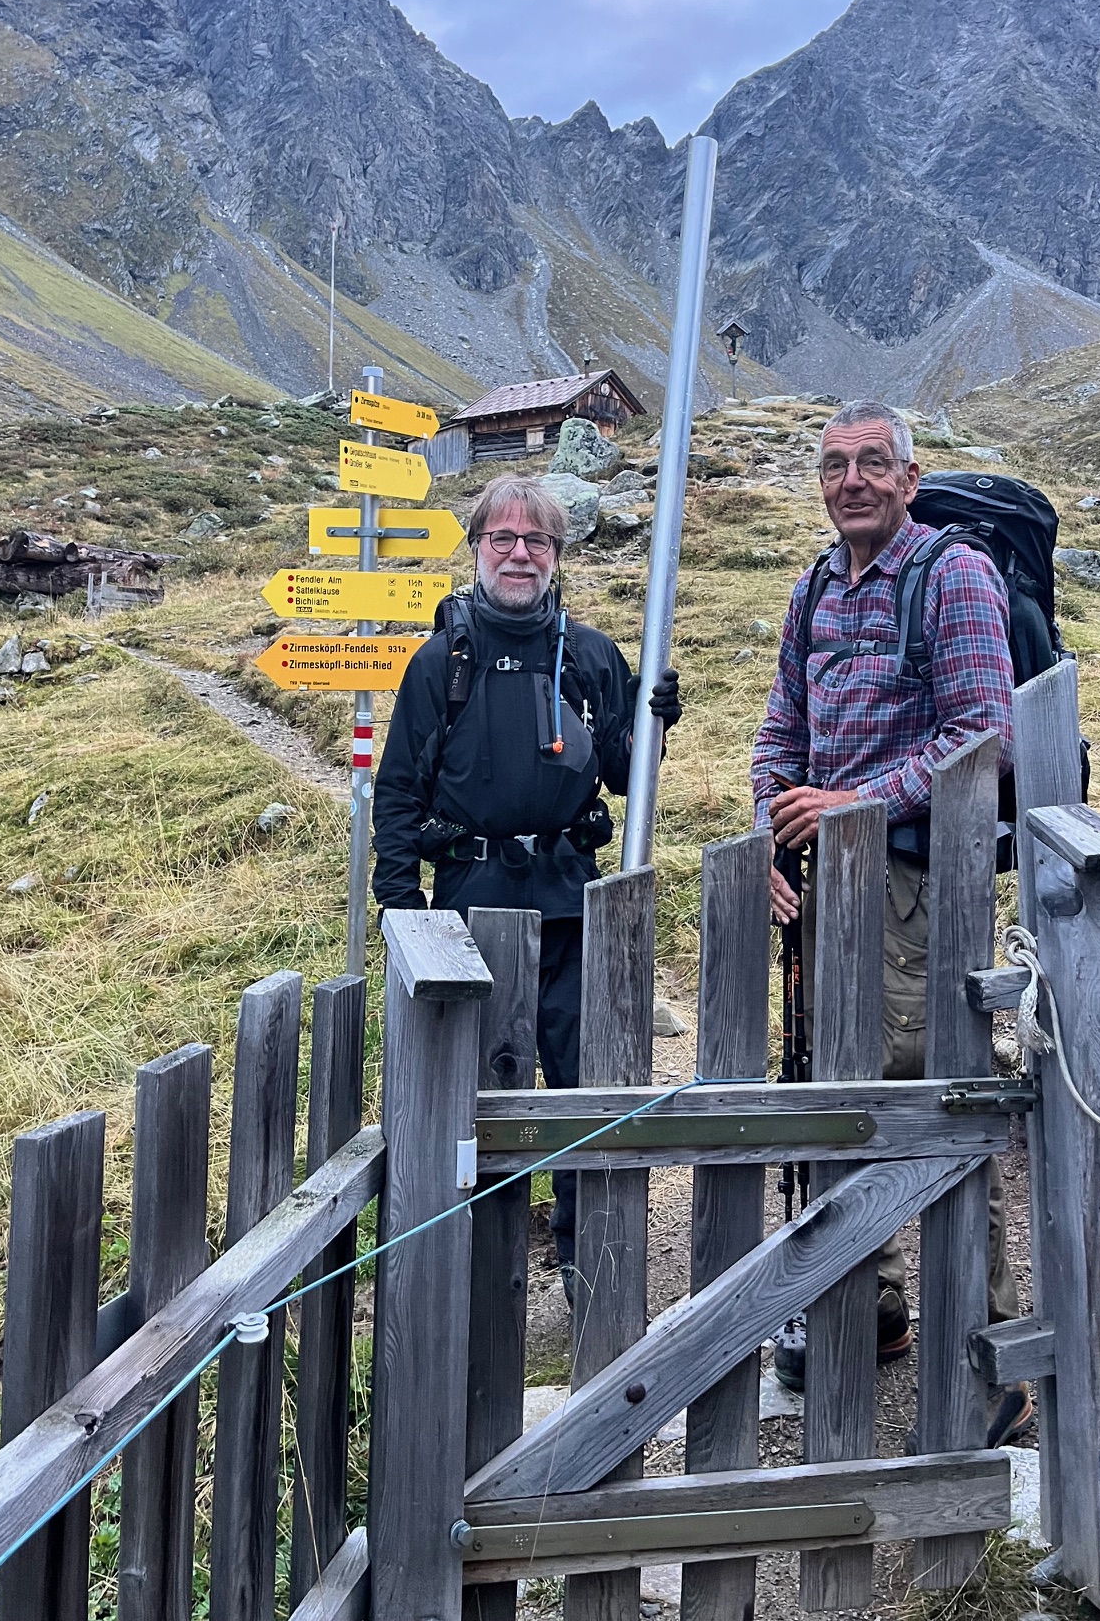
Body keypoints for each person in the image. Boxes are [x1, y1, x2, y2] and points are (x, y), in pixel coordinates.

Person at [751, 398, 1030, 1447]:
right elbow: (782, 725)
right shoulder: (814, 586)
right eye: (834, 465)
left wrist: (853, 806)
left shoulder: (952, 575)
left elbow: (983, 735)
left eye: (873, 463)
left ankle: (994, 1352)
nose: (852, 480)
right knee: (830, 1092)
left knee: (924, 1103)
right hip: (825, 889)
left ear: (910, 479)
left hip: (915, 893)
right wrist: (775, 834)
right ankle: (869, 1318)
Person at [373, 472, 681, 1299]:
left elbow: (624, 776)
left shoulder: (592, 657)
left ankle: (591, 1269)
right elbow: (398, 792)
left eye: (536, 540)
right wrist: (403, 915)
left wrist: (654, 724)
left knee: (585, 1085)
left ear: (557, 555)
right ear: (477, 549)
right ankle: (480, 1273)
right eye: (502, 538)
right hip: (471, 906)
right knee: (479, 1096)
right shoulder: (441, 663)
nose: (519, 553)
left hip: (573, 904)